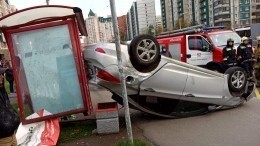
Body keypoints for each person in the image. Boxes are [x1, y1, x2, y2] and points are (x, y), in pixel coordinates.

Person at [0, 67, 20, 146]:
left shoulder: (2, 89)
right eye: (0, 75)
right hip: (3, 138)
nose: (2, 76)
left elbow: (11, 74)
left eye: (2, 74)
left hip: (12, 134)